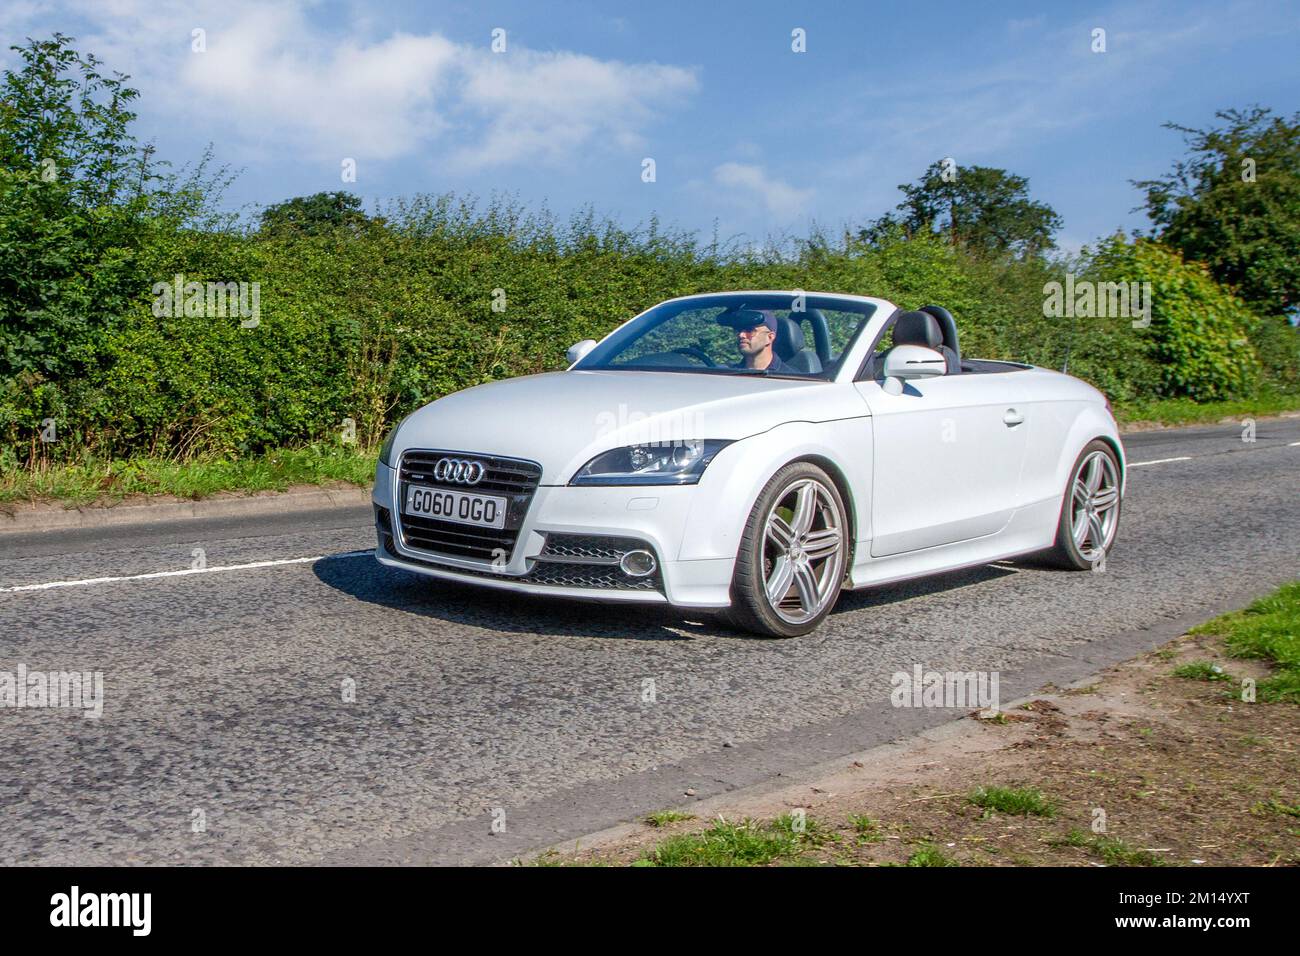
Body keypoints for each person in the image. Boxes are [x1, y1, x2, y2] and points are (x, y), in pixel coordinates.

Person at [717, 309, 797, 374]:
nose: (741, 335)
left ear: (770, 337)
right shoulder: (728, 373)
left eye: (750, 330)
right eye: (739, 330)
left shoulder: (789, 378)